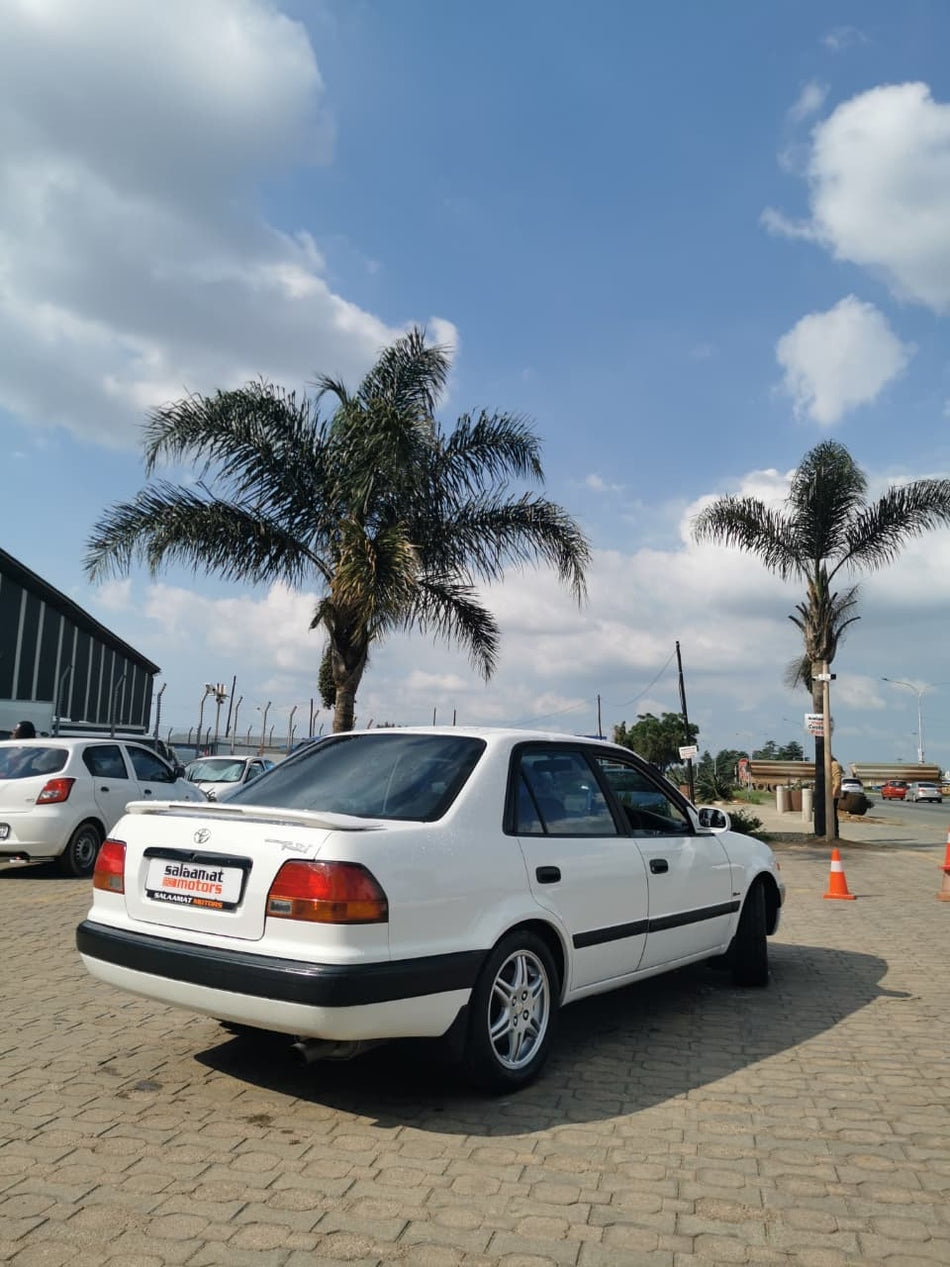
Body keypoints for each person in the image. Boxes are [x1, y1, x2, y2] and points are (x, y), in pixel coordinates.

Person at [830, 754, 843, 837]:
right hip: (828, 793)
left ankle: (835, 834)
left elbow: (837, 782)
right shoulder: (828, 764)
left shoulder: (834, 764)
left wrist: (833, 795)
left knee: (832, 814)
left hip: (832, 794)